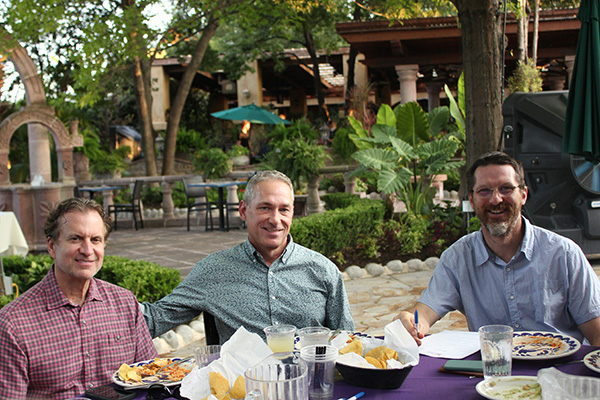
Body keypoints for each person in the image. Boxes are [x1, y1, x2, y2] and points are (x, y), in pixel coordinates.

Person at [396, 151, 600, 346]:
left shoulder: (564, 255)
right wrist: (411, 322)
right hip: (493, 374)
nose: (496, 199)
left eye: (506, 189)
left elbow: (597, 333)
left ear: (523, 195)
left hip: (558, 373)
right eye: (484, 191)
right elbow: (423, 314)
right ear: (472, 200)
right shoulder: (458, 258)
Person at [143, 170, 355, 343]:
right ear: (243, 211)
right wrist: (111, 298)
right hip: (243, 389)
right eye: (265, 208)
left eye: (284, 210)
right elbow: (155, 319)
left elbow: (346, 340)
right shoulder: (214, 270)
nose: (275, 219)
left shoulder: (322, 269)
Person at [0, 198, 157, 400]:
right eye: (75, 239)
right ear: (51, 246)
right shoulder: (13, 324)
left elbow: (152, 379)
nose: (87, 250)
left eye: (95, 240)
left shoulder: (125, 304)